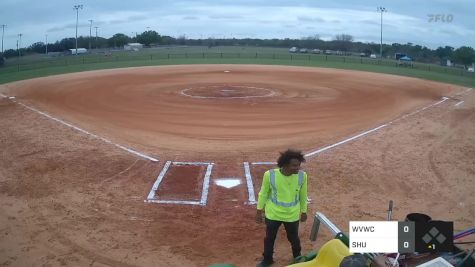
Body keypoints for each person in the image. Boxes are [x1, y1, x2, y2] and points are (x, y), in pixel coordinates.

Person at [256, 149, 308, 267]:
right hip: (273, 213)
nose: (297, 168)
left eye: (299, 165)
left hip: (292, 214)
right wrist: (259, 211)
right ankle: (267, 259)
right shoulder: (270, 175)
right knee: (269, 238)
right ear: (285, 165)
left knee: (293, 238)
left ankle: (297, 257)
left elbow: (303, 195)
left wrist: (304, 211)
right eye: (294, 165)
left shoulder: (302, 176)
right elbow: (263, 193)